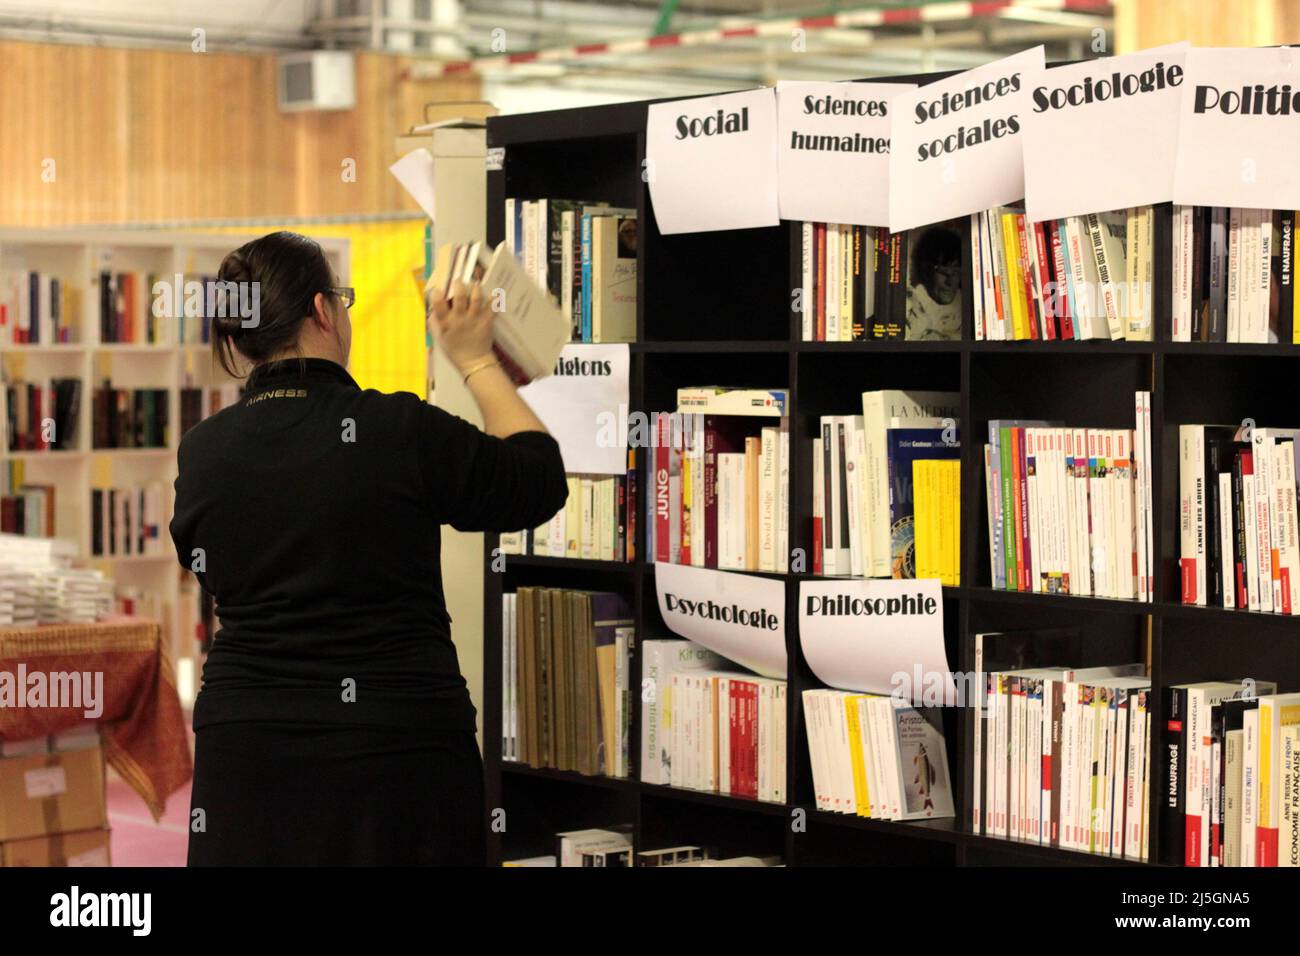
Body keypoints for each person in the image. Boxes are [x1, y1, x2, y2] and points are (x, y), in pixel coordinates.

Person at [170, 231, 567, 866]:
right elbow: (538, 480)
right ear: (324, 312)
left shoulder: (204, 451)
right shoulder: (397, 430)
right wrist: (475, 359)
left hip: (248, 755)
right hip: (397, 753)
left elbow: (201, 560)